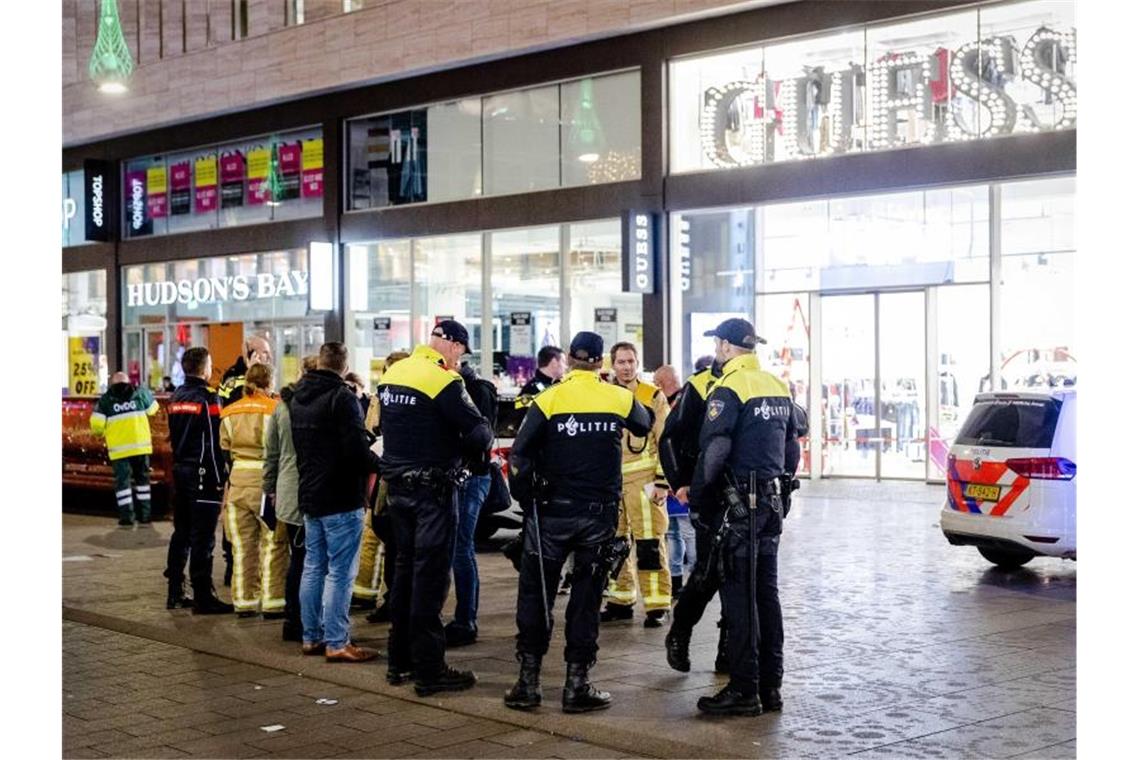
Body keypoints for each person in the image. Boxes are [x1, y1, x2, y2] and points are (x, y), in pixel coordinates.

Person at [504, 331, 652, 713]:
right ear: (601, 363)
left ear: (569, 359)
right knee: (586, 601)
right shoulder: (618, 397)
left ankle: (528, 684)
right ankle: (576, 686)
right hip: (597, 517)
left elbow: (518, 457)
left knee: (536, 596)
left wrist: (527, 500)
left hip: (550, 514)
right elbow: (644, 423)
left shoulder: (549, 398)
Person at [688, 318, 800, 716]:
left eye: (718, 344)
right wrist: (783, 486)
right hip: (770, 506)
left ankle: (743, 689)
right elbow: (791, 447)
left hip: (739, 509)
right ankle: (771, 687)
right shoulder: (777, 385)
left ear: (724, 346)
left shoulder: (729, 387)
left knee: (739, 599)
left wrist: (699, 498)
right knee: (766, 596)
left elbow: (716, 449)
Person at [378, 320, 493, 695]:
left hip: (398, 490)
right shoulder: (442, 380)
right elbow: (480, 432)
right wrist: (466, 453)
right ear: (453, 345)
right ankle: (430, 670)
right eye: (461, 349)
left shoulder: (394, 372)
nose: (460, 356)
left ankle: (399, 661)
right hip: (434, 493)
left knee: (404, 573)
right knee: (430, 579)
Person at [291, 342, 383, 663]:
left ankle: (311, 637)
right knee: (341, 572)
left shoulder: (298, 397)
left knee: (313, 567)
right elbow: (355, 451)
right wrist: (379, 461)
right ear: (344, 366)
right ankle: (337, 641)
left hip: (310, 493)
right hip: (341, 495)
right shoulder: (342, 397)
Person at [661, 354, 732, 674]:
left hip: (745, 493)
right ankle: (680, 631)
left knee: (740, 575)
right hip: (708, 494)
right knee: (707, 572)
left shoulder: (758, 383)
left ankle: (729, 649)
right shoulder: (700, 385)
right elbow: (670, 438)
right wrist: (682, 483)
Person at [600, 342, 672, 627]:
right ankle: (620, 600)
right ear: (612, 364)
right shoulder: (603, 395)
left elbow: (665, 441)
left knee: (649, 546)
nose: (627, 367)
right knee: (614, 545)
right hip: (610, 484)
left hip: (645, 484)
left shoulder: (651, 396)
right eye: (621, 362)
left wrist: (662, 482)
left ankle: (657, 605)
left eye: (631, 361)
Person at [164, 347, 233, 614]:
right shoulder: (208, 399)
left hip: (181, 471)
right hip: (202, 474)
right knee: (203, 537)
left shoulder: (176, 397)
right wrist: (219, 478)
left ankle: (175, 591)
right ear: (204, 368)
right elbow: (213, 443)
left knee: (181, 532)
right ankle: (204, 595)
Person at [219, 363, 288, 618]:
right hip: (267, 486)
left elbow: (225, 452)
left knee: (242, 547)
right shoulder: (276, 409)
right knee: (273, 544)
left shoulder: (229, 412)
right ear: (270, 382)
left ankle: (245, 602)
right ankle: (273, 602)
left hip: (237, 487)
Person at [264, 355, 320, 642]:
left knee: (297, 559)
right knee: (316, 561)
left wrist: (270, 488)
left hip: (288, 492)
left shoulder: (282, 406)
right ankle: (311, 622)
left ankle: (293, 621)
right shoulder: (322, 403)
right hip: (316, 491)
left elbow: (270, 452)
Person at [444, 361, 499, 647]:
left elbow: (480, 437)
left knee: (461, 548)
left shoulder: (477, 391)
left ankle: (466, 620)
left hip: (472, 477)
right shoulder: (458, 389)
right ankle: (463, 618)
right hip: (460, 477)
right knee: (457, 548)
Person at [361, 350, 410, 624]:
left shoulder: (387, 397)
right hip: (389, 478)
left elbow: (371, 430)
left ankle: (396, 601)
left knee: (396, 543)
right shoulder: (383, 396)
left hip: (394, 477)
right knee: (392, 542)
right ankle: (393, 599)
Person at [90, 372, 160, 527]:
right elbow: (154, 409)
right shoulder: (139, 393)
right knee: (143, 482)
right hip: (141, 447)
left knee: (123, 484)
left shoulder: (105, 400)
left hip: (119, 451)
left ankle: (127, 518)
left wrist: (103, 432)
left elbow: (96, 427)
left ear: (112, 383)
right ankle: (145, 516)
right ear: (128, 382)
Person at [510, 346, 565, 430]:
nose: (566, 367)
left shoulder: (557, 386)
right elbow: (521, 421)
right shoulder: (530, 390)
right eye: (563, 362)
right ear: (554, 362)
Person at [217, 335, 273, 408]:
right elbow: (240, 405)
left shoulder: (262, 376)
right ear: (252, 355)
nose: (270, 357)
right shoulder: (233, 376)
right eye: (265, 352)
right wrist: (251, 373)